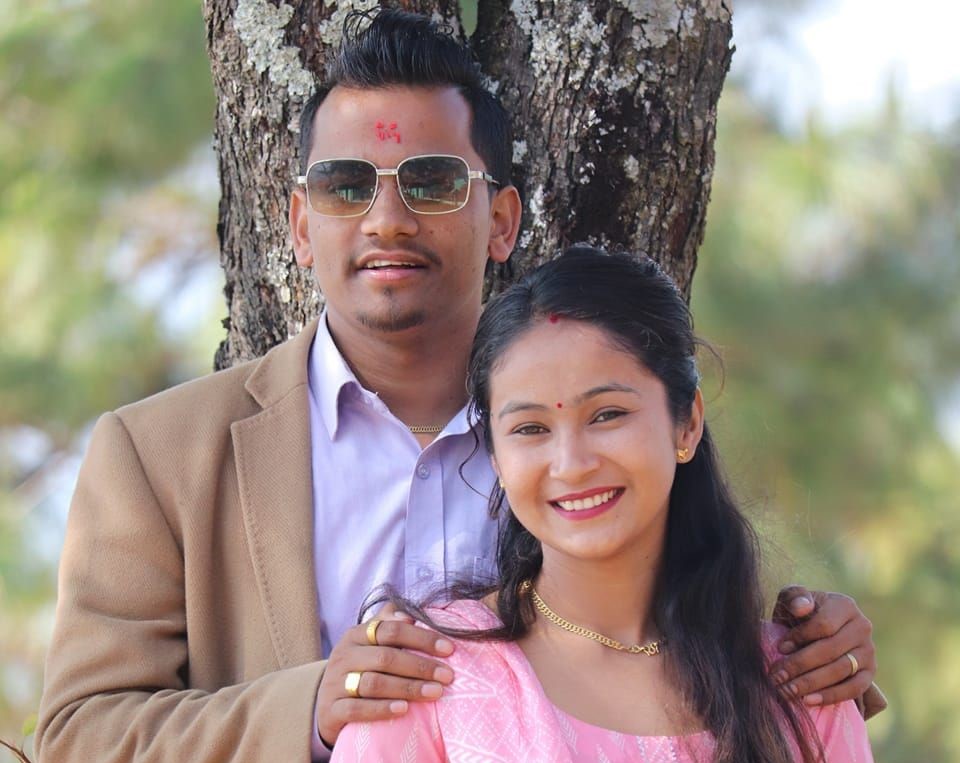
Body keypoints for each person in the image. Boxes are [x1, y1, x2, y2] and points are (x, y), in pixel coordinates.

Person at [34, 9, 879, 763]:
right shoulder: (159, 455)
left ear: (502, 219)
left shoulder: (580, 439)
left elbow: (675, 642)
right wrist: (314, 707)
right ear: (299, 225)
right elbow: (77, 735)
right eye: (345, 186)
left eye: (433, 182)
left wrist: (813, 649)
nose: (387, 219)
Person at [331, 247, 875, 762]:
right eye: (530, 428)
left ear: (687, 423)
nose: (571, 464)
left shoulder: (800, 685)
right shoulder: (425, 678)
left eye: (607, 415)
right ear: (495, 456)